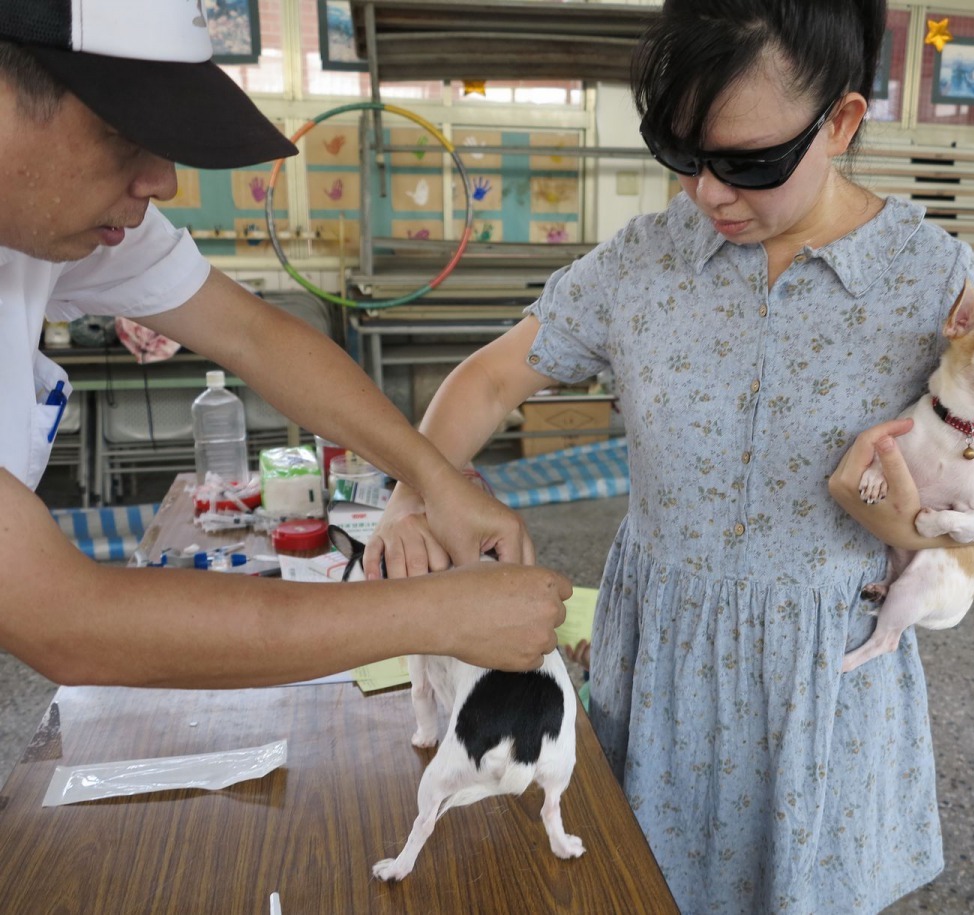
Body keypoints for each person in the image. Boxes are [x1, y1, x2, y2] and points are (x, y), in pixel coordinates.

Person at [370, 0, 974, 911]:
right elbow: (492, 380)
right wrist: (410, 495)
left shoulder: (932, 279)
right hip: (658, 661)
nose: (710, 193)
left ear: (844, 121)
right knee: (627, 884)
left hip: (823, 680)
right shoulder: (645, 260)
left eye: (749, 162)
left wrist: (931, 524)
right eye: (684, 155)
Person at [0, 0, 571, 688]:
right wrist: (436, 614)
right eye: (125, 137)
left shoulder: (48, 217)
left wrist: (434, 479)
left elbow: (255, 335)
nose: (163, 181)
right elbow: (65, 619)